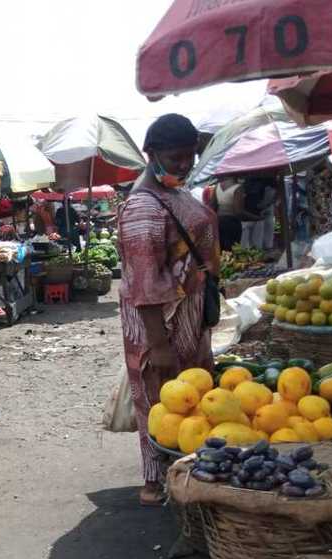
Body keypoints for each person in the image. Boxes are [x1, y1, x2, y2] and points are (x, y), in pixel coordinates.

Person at [117, 113, 217, 507]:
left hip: (188, 320)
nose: (184, 165)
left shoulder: (172, 193)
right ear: (151, 153)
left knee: (190, 399)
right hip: (162, 326)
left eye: (189, 156)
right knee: (162, 401)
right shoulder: (144, 205)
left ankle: (189, 468)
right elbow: (144, 283)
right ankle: (155, 479)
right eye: (176, 157)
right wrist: (158, 344)